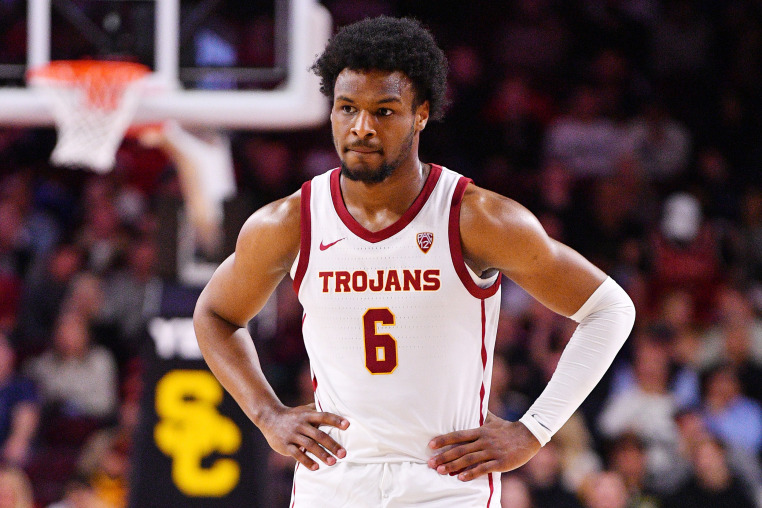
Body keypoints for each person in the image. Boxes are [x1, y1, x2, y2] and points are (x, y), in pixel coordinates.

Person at [194, 16, 635, 507]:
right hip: (333, 481)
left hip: (445, 483)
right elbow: (214, 315)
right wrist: (267, 415)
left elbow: (611, 309)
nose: (361, 127)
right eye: (347, 109)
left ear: (421, 114)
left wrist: (534, 430)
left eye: (383, 111)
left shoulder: (477, 217)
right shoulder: (288, 222)